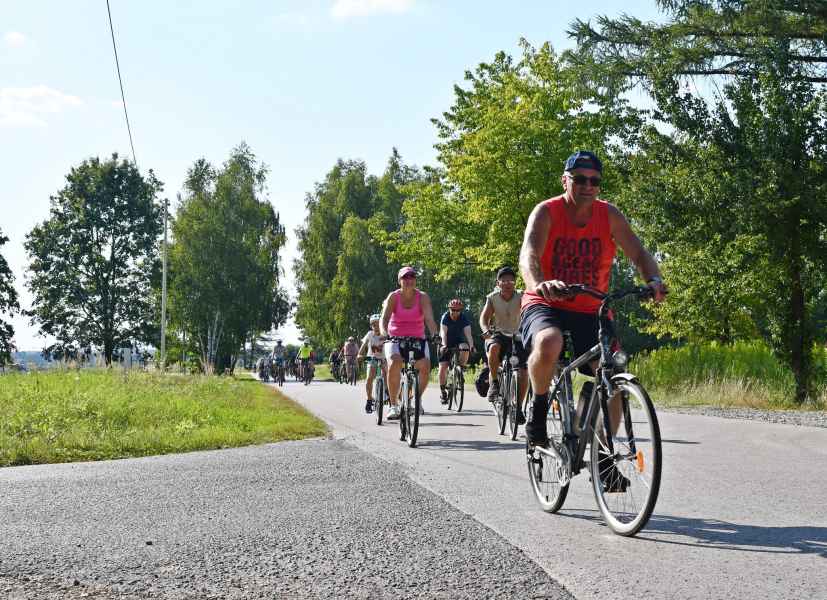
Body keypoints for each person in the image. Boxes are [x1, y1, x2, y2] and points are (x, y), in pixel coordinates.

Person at [519, 150, 667, 461]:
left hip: (591, 308)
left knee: (614, 374)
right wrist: (539, 283)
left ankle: (603, 458)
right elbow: (529, 255)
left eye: (594, 181)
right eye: (580, 179)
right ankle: (539, 410)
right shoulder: (546, 212)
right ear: (565, 181)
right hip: (547, 301)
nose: (588, 186)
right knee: (549, 341)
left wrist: (653, 279)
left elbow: (639, 254)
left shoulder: (609, 215)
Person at [379, 266, 439, 420]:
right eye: (405, 277)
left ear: (415, 280)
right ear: (399, 281)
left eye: (412, 277)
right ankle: (393, 405)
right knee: (395, 363)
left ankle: (415, 399)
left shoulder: (422, 297)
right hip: (395, 338)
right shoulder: (394, 297)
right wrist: (384, 333)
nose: (409, 280)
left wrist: (435, 335)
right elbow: (384, 319)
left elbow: (429, 319)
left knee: (425, 365)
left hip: (417, 338)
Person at [480, 266, 528, 422]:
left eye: (511, 280)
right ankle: (494, 383)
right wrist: (486, 330)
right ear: (498, 283)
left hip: (518, 336)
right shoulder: (492, 298)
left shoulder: (522, 296)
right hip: (499, 334)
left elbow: (529, 312)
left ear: (515, 283)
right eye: (504, 280)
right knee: (493, 348)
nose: (508, 283)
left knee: (523, 373)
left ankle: (518, 408)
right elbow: (484, 318)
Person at [437, 298, 474, 404]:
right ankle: (443, 392)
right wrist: (444, 345)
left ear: (461, 311)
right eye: (453, 310)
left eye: (458, 310)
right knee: (443, 367)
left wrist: (472, 346)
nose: (455, 312)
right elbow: (443, 333)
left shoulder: (463, 318)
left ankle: (460, 369)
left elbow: (468, 334)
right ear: (449, 309)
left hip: (458, 341)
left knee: (465, 347)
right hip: (445, 342)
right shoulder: (445, 317)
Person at [357, 314, 387, 413]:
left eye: (378, 324)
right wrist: (360, 354)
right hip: (372, 358)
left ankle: (388, 392)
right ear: (371, 326)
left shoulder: (385, 334)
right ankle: (369, 399)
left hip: (384, 358)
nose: (376, 326)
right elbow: (364, 345)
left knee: (387, 374)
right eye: (374, 325)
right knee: (369, 378)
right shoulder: (370, 334)